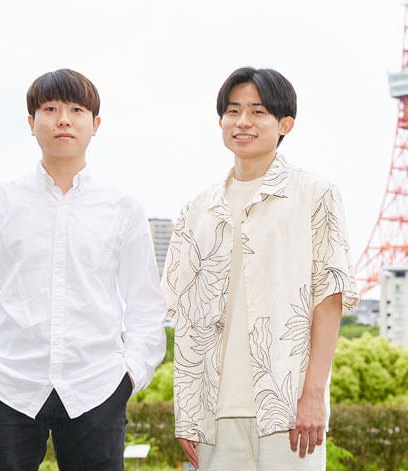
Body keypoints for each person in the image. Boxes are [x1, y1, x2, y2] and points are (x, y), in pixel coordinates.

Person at [0, 68, 166, 471]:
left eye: (76, 110)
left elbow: (145, 303)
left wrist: (130, 375)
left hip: (97, 386)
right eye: (50, 109)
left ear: (95, 124)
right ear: (31, 122)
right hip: (5, 385)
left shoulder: (122, 208)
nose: (63, 120)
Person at [161, 67, 359, 471]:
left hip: (288, 408)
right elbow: (184, 315)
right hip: (213, 414)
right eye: (233, 111)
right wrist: (188, 411)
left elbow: (329, 298)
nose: (243, 122)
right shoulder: (196, 210)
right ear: (221, 121)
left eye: (257, 111)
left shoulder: (314, 195)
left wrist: (313, 396)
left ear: (285, 124)